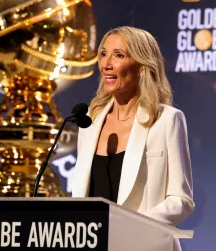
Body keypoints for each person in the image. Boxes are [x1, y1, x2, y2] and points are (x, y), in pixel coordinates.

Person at [71, 26, 194, 251]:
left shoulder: (167, 120)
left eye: (118, 55)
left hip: (143, 245)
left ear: (141, 65)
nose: (106, 64)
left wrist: (128, 226)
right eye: (103, 54)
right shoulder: (90, 121)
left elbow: (181, 201)